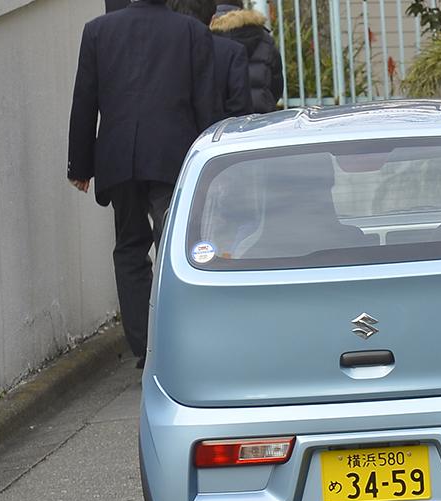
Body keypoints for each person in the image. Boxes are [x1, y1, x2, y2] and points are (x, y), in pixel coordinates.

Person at [67, 0, 219, 365]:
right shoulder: (192, 32)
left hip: (119, 158)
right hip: (173, 157)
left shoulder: (97, 31)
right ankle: (180, 341)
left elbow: (85, 99)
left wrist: (80, 165)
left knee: (129, 248)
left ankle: (145, 347)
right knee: (175, 249)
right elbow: (207, 105)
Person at [169, 0, 252, 118]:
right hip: (218, 132)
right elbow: (240, 109)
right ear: (212, 19)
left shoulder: (161, 48)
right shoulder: (232, 52)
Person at [211, 1, 285, 114]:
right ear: (240, 6)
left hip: (220, 120)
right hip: (260, 117)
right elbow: (277, 85)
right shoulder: (264, 39)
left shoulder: (205, 39)